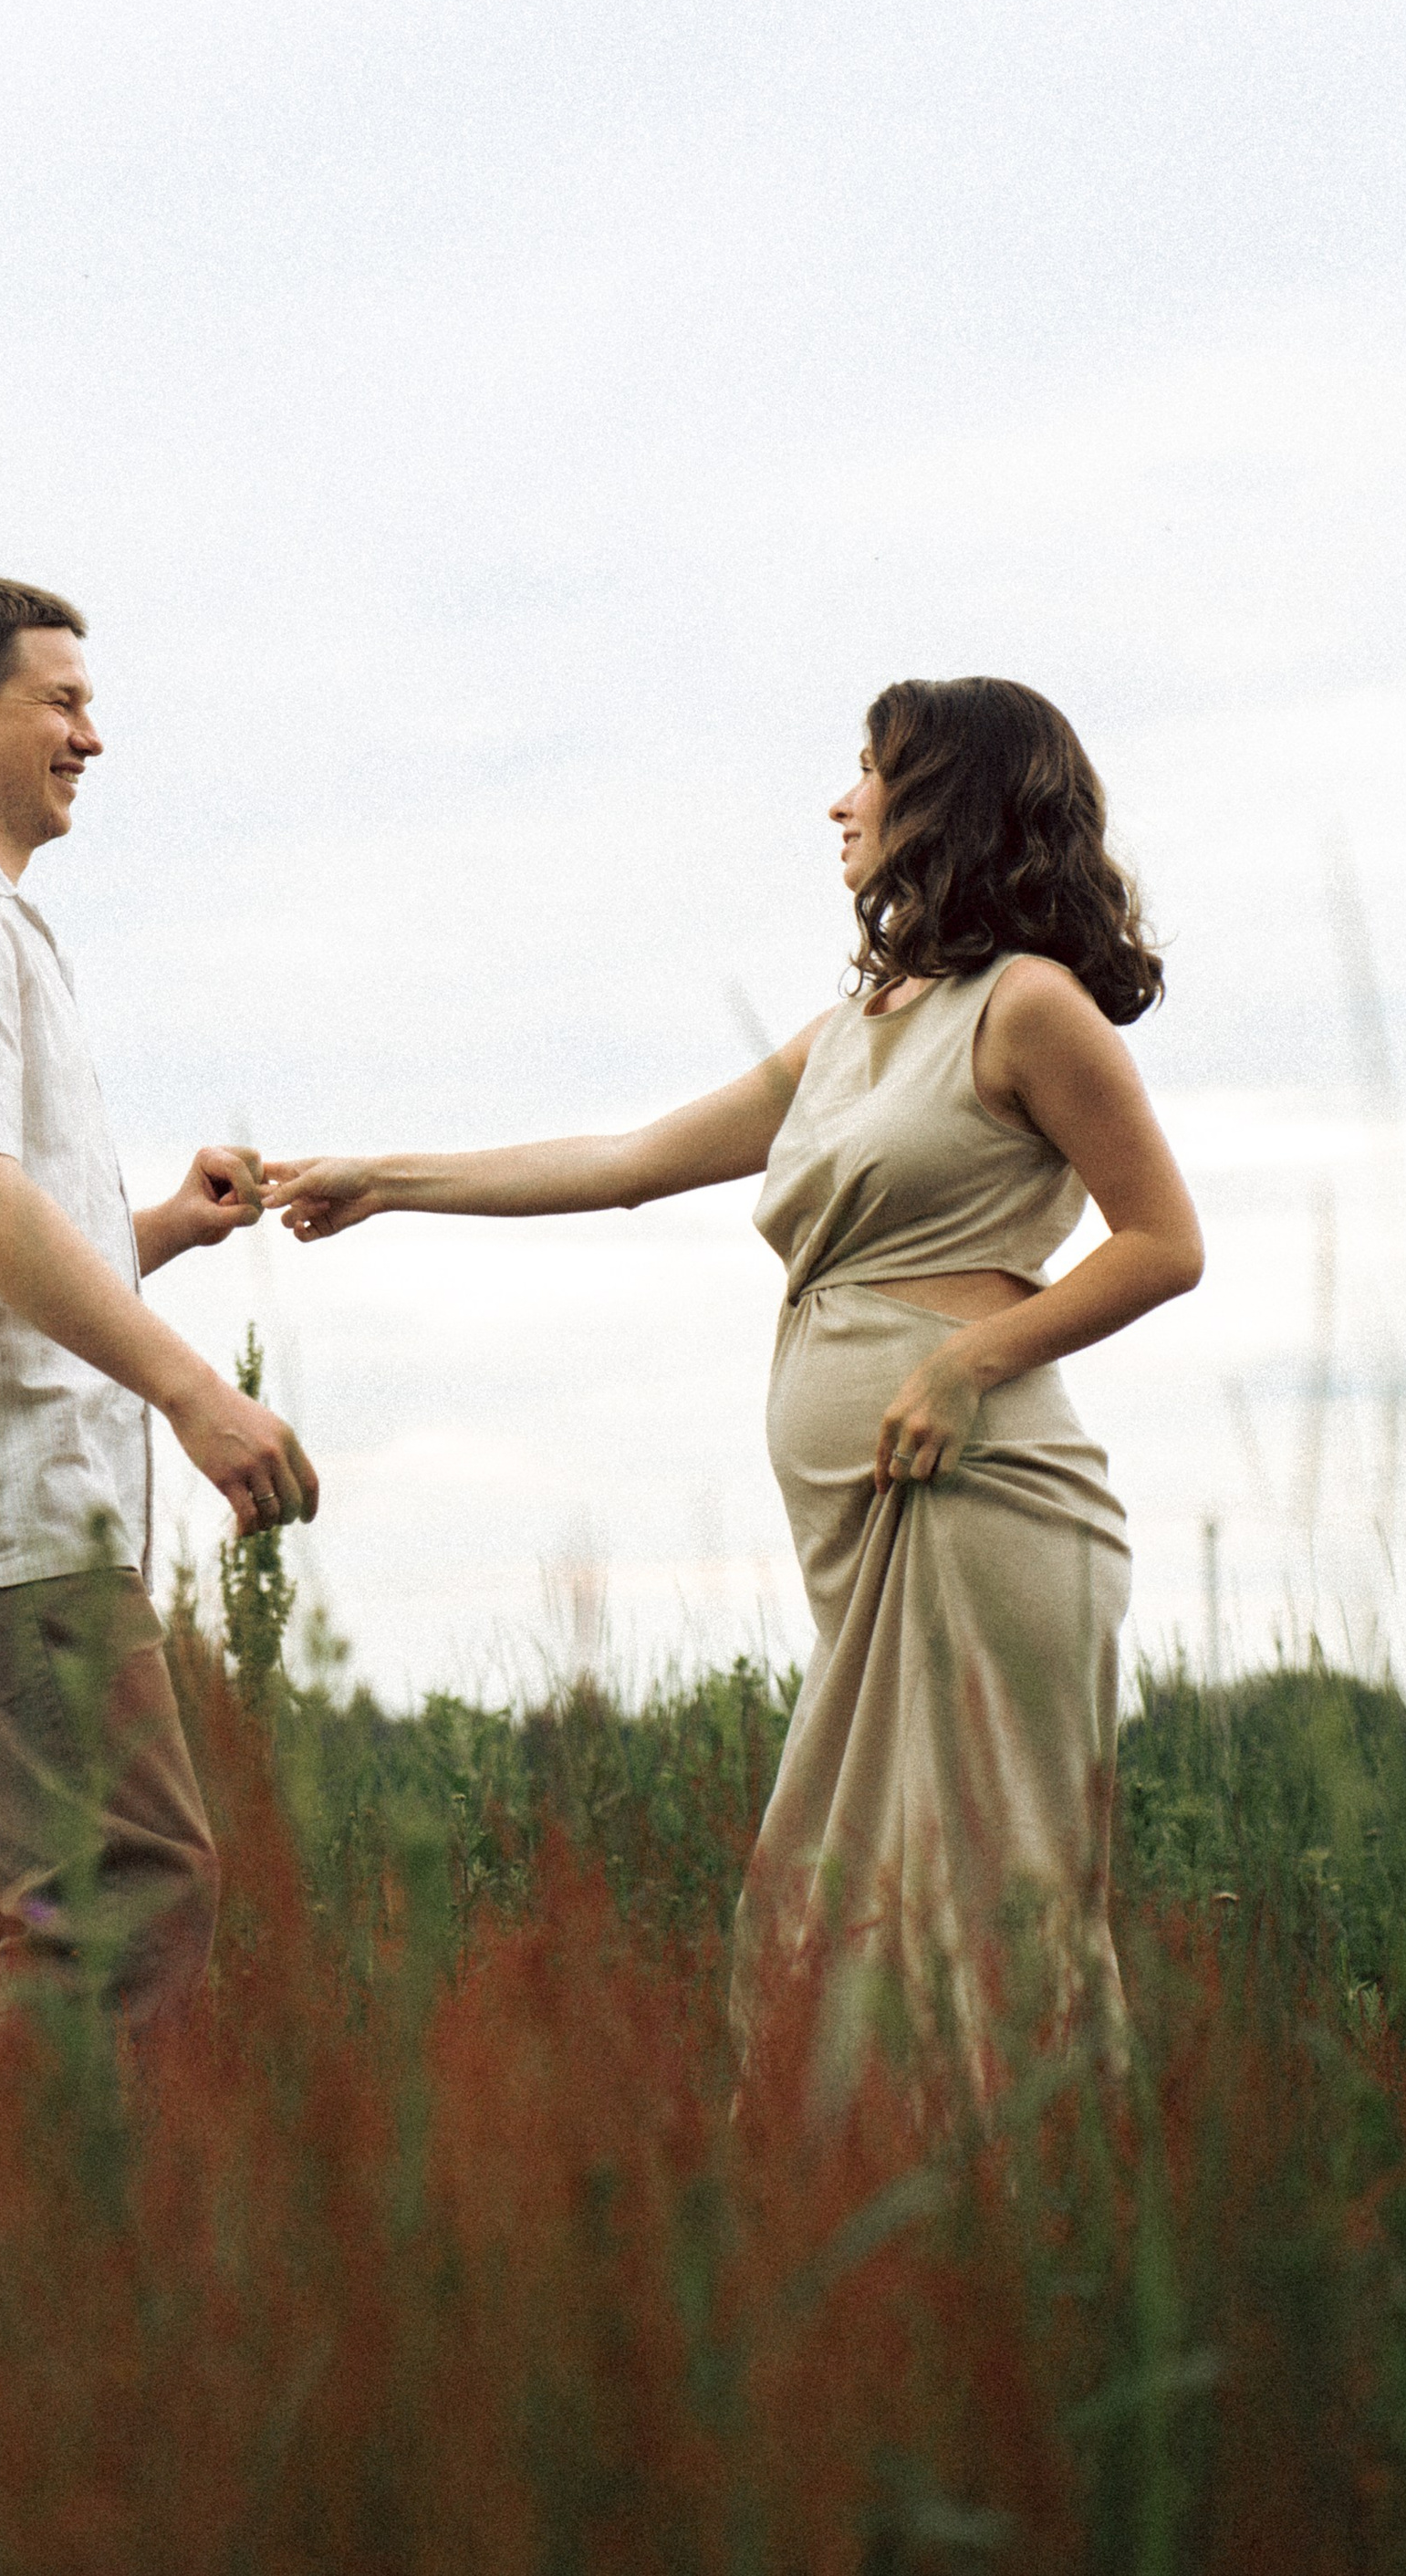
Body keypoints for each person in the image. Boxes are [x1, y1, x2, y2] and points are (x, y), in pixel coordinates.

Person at [264, 677, 1201, 2078]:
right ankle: (905, 2207)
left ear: (945, 799)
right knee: (837, 1920)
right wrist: (383, 1178)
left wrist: (969, 1361)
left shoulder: (1032, 1008)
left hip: (981, 1496)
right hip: (865, 1524)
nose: (840, 801)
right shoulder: (848, 1032)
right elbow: (629, 1162)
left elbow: (1165, 1242)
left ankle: (1054, 2195)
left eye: (870, 771)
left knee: (980, 1916)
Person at [0, 571, 319, 2027]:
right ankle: (56, 2188)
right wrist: (195, 1392)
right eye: (64, 701)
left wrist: (161, 1229)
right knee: (128, 1897)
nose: (93, 735)